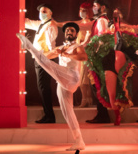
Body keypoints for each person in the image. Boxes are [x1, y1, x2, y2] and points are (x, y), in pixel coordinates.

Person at [18, 23, 87, 151]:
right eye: (67, 30)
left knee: (53, 67)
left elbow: (83, 57)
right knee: (67, 112)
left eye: (72, 30)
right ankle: (79, 140)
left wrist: (67, 54)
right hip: (62, 81)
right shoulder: (61, 47)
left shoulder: (78, 46)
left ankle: (28, 45)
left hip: (72, 77)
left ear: (76, 34)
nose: (69, 32)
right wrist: (54, 52)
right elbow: (45, 59)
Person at [86, 0, 128, 125]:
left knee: (100, 86)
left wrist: (95, 53)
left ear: (103, 7)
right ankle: (103, 114)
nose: (93, 8)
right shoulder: (99, 20)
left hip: (102, 57)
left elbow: (103, 39)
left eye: (95, 5)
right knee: (99, 85)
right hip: (100, 57)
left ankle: (105, 115)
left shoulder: (102, 21)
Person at [24, 3, 58, 123]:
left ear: (50, 13)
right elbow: (26, 22)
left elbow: (50, 44)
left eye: (44, 11)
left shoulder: (51, 25)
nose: (41, 13)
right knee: (42, 87)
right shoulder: (41, 24)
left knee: (44, 87)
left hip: (45, 58)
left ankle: (49, 116)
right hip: (39, 58)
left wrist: (48, 58)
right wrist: (7, 18)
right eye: (40, 11)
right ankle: (48, 115)